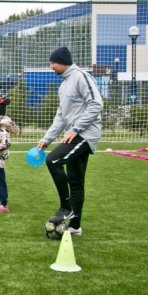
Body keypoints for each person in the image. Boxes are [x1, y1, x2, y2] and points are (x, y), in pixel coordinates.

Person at [37, 46, 103, 236]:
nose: (51, 67)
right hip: (73, 133)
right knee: (75, 181)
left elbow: (97, 104)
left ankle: (66, 207)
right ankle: (75, 227)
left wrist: (76, 128)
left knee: (53, 160)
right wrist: (46, 139)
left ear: (61, 62)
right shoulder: (64, 84)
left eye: (52, 63)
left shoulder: (82, 77)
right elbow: (61, 116)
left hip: (85, 133)